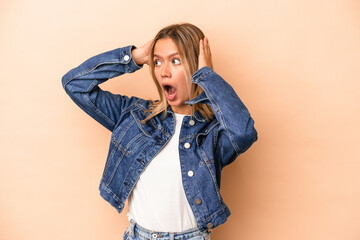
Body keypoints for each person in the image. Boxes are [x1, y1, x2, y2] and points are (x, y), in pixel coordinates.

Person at [62, 23, 257, 240]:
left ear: (195, 66)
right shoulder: (136, 116)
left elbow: (244, 132)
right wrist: (133, 57)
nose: (163, 72)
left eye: (175, 61)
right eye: (157, 62)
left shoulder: (213, 131)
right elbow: (75, 84)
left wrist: (207, 76)